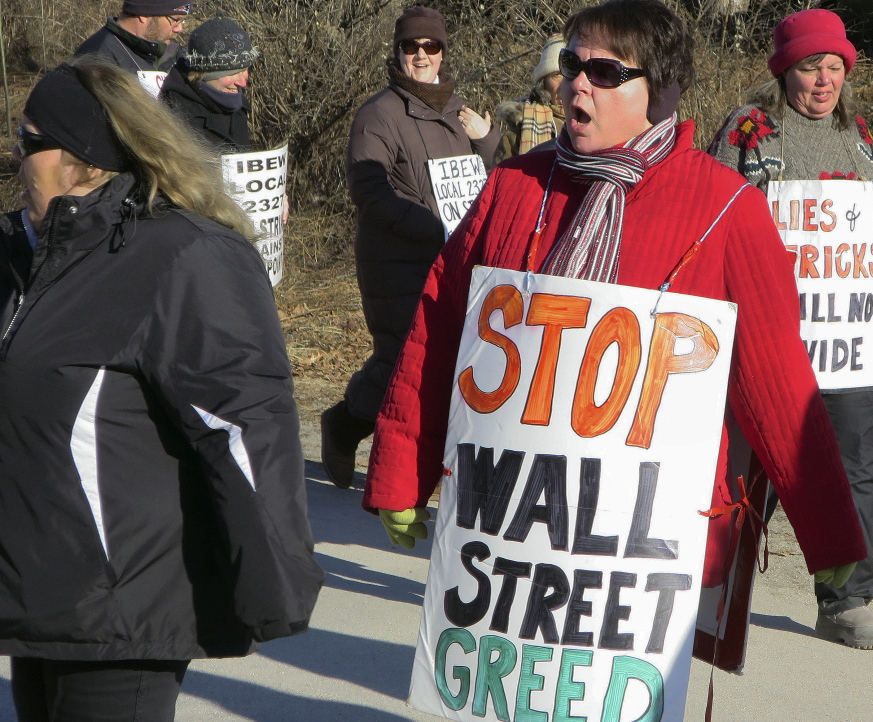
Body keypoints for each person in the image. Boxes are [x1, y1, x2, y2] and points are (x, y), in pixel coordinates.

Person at [362, 0, 867, 604]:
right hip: (512, 530)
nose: (578, 83)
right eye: (574, 63)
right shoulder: (513, 188)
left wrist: (829, 531)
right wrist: (401, 470)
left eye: (606, 73)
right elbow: (439, 331)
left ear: (661, 92)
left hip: (649, 553)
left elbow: (778, 381)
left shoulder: (728, 209)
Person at [0, 57, 323, 721]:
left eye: (29, 143)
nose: (16, 158)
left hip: (123, 606)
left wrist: (274, 584)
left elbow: (243, 425)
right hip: (38, 596)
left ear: (82, 157)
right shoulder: (27, 258)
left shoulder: (182, 255)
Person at [708, 8, 873, 650]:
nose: (823, 81)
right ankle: (710, 589)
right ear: (783, 71)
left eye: (834, 67)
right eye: (808, 67)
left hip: (850, 343)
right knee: (754, 468)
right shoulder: (751, 132)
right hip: (770, 339)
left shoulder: (861, 138)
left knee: (857, 467)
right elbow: (713, 221)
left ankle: (845, 602)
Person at [320, 5, 499, 489]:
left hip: (452, 259)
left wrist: (486, 142)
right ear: (397, 51)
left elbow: (481, 185)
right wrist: (431, 226)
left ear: (443, 52)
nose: (421, 56)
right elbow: (369, 192)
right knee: (402, 359)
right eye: (410, 46)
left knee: (441, 358)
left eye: (430, 46)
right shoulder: (378, 113)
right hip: (395, 260)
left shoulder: (460, 112)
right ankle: (345, 424)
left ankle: (422, 463)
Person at [161, 13, 256, 153]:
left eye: (245, 70)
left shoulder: (236, 105)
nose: (242, 82)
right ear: (203, 73)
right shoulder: (174, 116)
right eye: (232, 73)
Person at [75, 1, 191, 92]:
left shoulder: (171, 52)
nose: (179, 29)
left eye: (183, 21)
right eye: (176, 20)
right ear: (145, 14)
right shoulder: (97, 57)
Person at [493, 33, 566, 164]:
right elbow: (503, 181)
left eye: (570, 74)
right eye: (557, 75)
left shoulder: (601, 124)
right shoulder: (518, 132)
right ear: (544, 83)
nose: (565, 84)